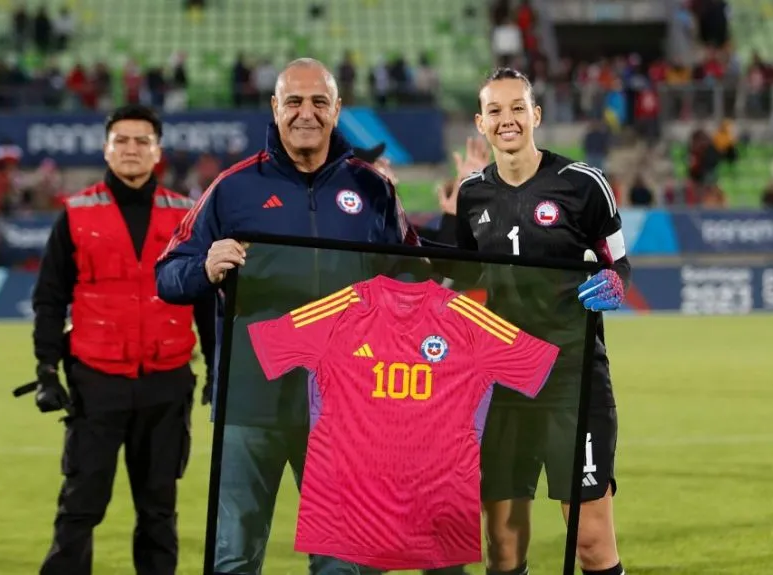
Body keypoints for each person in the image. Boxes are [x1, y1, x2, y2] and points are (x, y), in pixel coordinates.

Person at [155, 58, 423, 575]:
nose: (307, 113)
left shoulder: (374, 190)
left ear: (337, 109)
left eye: (319, 102)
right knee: (233, 556)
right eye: (294, 101)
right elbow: (168, 274)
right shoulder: (232, 188)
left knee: (345, 562)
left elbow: (412, 273)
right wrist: (205, 269)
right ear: (274, 108)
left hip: (346, 410)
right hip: (251, 406)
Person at [452, 68, 631, 575]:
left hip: (572, 382)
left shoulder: (584, 185)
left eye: (516, 108)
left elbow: (618, 262)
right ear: (481, 124)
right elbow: (464, 282)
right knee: (503, 549)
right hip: (502, 385)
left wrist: (615, 283)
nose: (507, 119)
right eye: (495, 111)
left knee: (591, 542)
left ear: (535, 115)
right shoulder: (470, 197)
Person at [29, 104, 216, 575]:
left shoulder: (187, 216)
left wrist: (218, 370)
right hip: (96, 383)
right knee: (79, 508)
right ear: (105, 148)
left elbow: (206, 303)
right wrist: (46, 371)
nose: (131, 150)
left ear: (158, 152)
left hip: (167, 383)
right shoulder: (75, 214)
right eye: (122, 141)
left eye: (141, 141)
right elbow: (49, 300)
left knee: (158, 512)